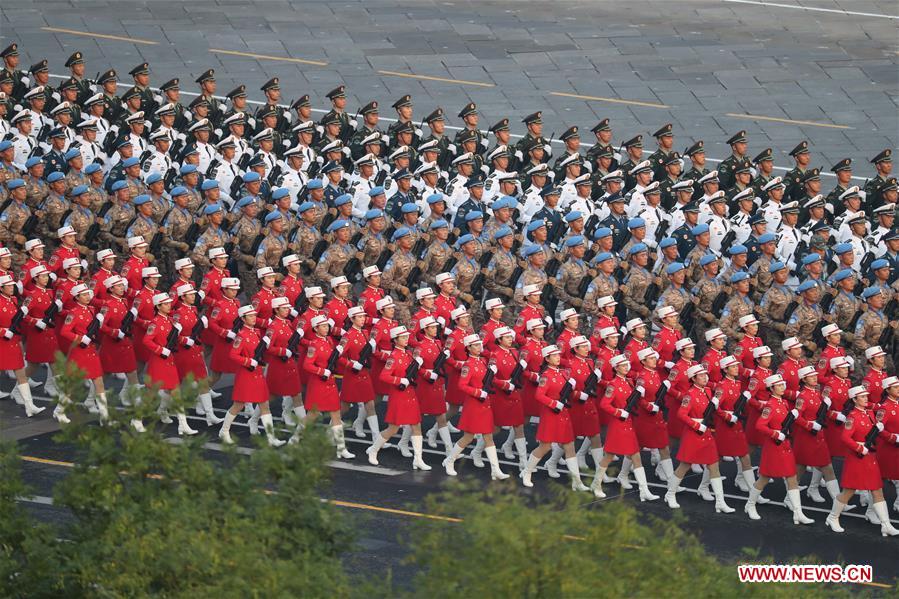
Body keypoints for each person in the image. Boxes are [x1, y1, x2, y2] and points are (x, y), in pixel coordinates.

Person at [825, 386, 899, 536]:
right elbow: (845, 438)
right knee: (849, 491)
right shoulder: (852, 417)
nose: (866, 398)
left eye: (866, 396)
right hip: (857, 457)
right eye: (862, 397)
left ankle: (886, 524)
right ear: (854, 399)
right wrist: (859, 448)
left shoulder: (870, 414)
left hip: (869, 457)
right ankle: (832, 517)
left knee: (877, 489)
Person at [743, 374, 814, 525]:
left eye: (783, 385)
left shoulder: (784, 403)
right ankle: (750, 505)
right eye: (779, 386)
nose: (783, 388)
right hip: (773, 447)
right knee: (764, 478)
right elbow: (760, 425)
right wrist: (775, 433)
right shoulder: (770, 405)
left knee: (792, 478)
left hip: (785, 446)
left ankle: (798, 512)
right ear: (772, 388)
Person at [664, 364, 734, 513]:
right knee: (685, 465)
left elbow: (715, 410)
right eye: (701, 376)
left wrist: (727, 416)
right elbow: (681, 414)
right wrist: (696, 426)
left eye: (705, 375)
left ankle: (720, 502)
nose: (705, 377)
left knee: (713, 465)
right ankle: (670, 494)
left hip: (706, 432)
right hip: (694, 433)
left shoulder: (708, 391)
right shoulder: (689, 395)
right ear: (693, 379)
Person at [520, 344, 589, 491]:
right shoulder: (546, 376)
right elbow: (539, 395)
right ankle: (527, 472)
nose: (558, 357)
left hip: (563, 413)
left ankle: (576, 481)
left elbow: (569, 393)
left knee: (569, 446)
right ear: (547, 358)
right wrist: (553, 403)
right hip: (551, 414)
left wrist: (577, 393)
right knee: (544, 447)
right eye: (554, 355)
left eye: (559, 355)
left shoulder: (563, 373)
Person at [442, 333, 509, 480]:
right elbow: (462, 385)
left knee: (488, 437)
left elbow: (491, 380)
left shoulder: (484, 362)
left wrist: (503, 383)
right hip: (474, 404)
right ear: (469, 348)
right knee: (468, 437)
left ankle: (495, 470)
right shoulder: (468, 365)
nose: (479, 347)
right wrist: (478, 392)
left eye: (480, 344)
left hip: (485, 404)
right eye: (476, 345)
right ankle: (449, 460)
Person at [593, 354, 659, 501]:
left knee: (636, 457)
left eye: (627, 365)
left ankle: (644, 491)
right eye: (623, 366)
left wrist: (647, 404)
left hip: (628, 424)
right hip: (618, 424)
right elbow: (604, 404)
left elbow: (637, 401)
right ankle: (596, 484)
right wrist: (618, 412)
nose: (626, 367)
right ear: (616, 368)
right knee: (608, 456)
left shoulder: (630, 382)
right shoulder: (613, 384)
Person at [219, 305, 284, 447]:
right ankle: (224, 431)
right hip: (246, 374)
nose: (254, 318)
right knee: (238, 405)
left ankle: (271, 437)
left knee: (264, 405)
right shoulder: (241, 335)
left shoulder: (256, 333)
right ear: (243, 319)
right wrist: (249, 361)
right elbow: (233, 355)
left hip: (257, 374)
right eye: (250, 316)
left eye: (254, 315)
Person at [368, 325, 431, 471]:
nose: (406, 339)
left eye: (406, 337)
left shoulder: (409, 354)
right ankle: (373, 450)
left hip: (410, 394)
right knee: (393, 429)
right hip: (398, 395)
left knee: (416, 426)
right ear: (395, 340)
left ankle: (418, 459)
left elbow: (417, 371)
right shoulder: (393, 356)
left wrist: (425, 371)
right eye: (402, 337)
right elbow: (384, 376)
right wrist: (399, 381)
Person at [142, 292, 197, 436]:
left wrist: (186, 340)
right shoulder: (155, 323)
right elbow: (147, 340)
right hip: (159, 361)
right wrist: (160, 350)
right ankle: (136, 420)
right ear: (158, 307)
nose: (169, 306)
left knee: (175, 391)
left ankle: (182, 424)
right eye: (165, 304)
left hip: (169, 361)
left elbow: (175, 339)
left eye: (169, 303)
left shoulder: (170, 321)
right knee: (151, 393)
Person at [302, 314, 353, 458]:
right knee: (312, 414)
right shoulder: (314, 344)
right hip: (318, 383)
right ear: (316, 328)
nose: (326, 328)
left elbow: (335, 357)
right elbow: (307, 364)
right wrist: (321, 371)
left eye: (327, 326)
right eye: (323, 326)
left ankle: (341, 449)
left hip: (329, 383)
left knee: (336, 414)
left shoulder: (329, 341)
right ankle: (295, 438)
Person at [172, 285, 222, 427]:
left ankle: (209, 414)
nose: (193, 297)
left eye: (194, 294)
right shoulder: (178, 314)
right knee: (177, 383)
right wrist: (184, 340)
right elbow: (174, 335)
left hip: (194, 350)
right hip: (183, 352)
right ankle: (162, 409)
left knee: (202, 382)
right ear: (183, 297)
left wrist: (199, 345)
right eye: (190, 295)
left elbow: (196, 332)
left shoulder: (193, 310)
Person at [0, 274, 44, 417]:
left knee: (20, 373)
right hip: (2, 341)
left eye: (13, 285)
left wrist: (31, 321)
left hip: (12, 341)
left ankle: (29, 405)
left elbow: (18, 320)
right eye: (9, 286)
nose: (12, 288)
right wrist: (2, 331)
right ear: (1, 288)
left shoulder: (13, 300)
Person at [341, 306, 379, 441]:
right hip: (352, 374)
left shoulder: (365, 333)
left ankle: (377, 438)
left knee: (370, 404)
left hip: (364, 373)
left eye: (364, 316)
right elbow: (338, 356)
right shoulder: (348, 336)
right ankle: (330, 431)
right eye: (360, 317)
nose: (363, 319)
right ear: (352, 319)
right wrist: (352, 364)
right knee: (344, 406)